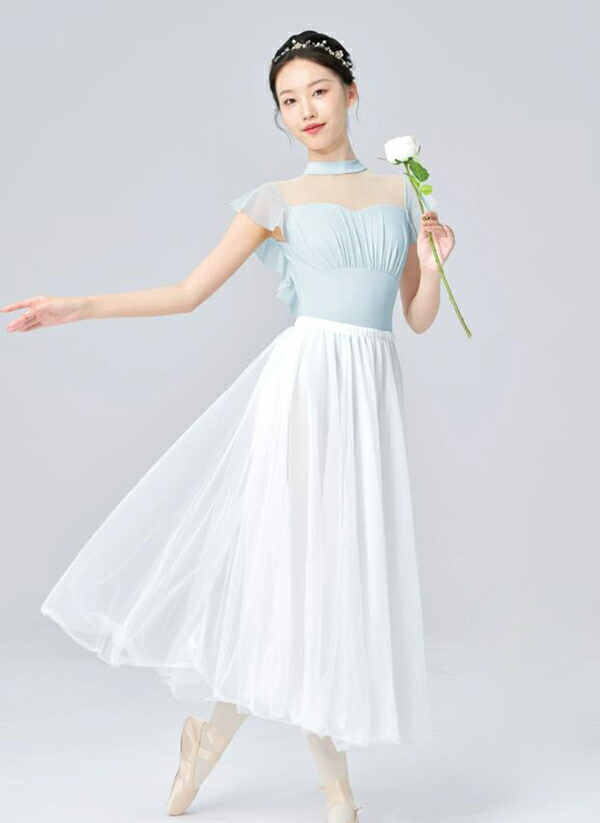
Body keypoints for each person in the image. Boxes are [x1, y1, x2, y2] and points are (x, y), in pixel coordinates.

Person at [2, 29, 455, 823]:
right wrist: (78, 306)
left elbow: (415, 317)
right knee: (303, 584)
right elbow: (187, 293)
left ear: (352, 93)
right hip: (305, 395)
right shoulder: (274, 200)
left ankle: (208, 744)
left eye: (318, 90)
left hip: (367, 398)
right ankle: (335, 790)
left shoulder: (398, 194)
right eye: (288, 100)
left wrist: (439, 262)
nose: (305, 110)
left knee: (333, 587)